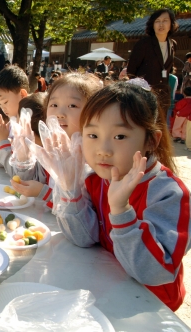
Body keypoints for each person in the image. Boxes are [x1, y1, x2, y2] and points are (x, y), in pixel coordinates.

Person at [36, 81, 190, 311]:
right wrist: (70, 189)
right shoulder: (96, 179)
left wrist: (120, 211)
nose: (103, 149)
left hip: (150, 306)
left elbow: (155, 272)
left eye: (119, 136)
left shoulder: (169, 194)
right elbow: (83, 238)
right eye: (93, 134)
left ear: (151, 140)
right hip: (107, 289)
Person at [9, 73, 102, 207]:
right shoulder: (53, 147)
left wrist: (45, 193)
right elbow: (29, 184)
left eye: (72, 106)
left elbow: (86, 213)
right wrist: (23, 157)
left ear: (93, 113)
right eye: (54, 105)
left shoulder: (92, 160)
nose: (60, 113)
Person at [127, 8, 179, 112]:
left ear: (171, 24)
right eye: (157, 21)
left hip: (163, 97)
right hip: (144, 96)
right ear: (152, 24)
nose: (161, 24)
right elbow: (131, 71)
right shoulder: (144, 44)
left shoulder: (173, 44)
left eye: (165, 21)